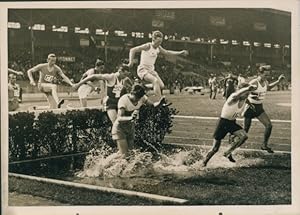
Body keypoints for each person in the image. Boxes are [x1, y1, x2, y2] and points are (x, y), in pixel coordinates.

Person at [202, 83, 257, 167]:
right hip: (223, 123)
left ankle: (228, 152)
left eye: (248, 93)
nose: (247, 95)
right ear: (241, 91)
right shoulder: (233, 98)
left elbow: (246, 99)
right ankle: (204, 163)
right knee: (215, 148)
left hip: (232, 123)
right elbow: (237, 94)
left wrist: (250, 105)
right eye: (246, 93)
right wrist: (247, 89)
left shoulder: (244, 99)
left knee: (244, 136)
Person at [127, 30, 188, 102]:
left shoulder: (158, 48)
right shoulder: (147, 46)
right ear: (153, 39)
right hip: (143, 69)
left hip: (151, 71)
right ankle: (160, 101)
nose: (159, 44)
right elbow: (132, 50)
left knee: (161, 86)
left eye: (160, 42)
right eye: (158, 42)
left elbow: (167, 52)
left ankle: (144, 88)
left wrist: (180, 52)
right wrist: (130, 62)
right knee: (155, 81)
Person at [111, 84, 164, 158]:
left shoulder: (142, 98)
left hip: (130, 127)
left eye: (139, 98)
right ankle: (104, 164)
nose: (138, 100)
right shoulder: (123, 100)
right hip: (120, 128)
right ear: (131, 93)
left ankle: (108, 163)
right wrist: (131, 118)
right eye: (136, 97)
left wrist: (160, 103)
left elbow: (152, 105)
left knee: (129, 154)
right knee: (125, 156)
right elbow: (119, 118)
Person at [243, 65, 285, 153]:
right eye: (265, 75)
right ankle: (232, 143)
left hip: (259, 107)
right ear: (259, 73)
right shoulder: (254, 82)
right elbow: (243, 94)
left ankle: (264, 145)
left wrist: (278, 81)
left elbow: (268, 87)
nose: (267, 77)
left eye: (268, 75)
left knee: (269, 125)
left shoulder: (265, 82)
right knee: (245, 131)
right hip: (250, 108)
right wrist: (249, 104)